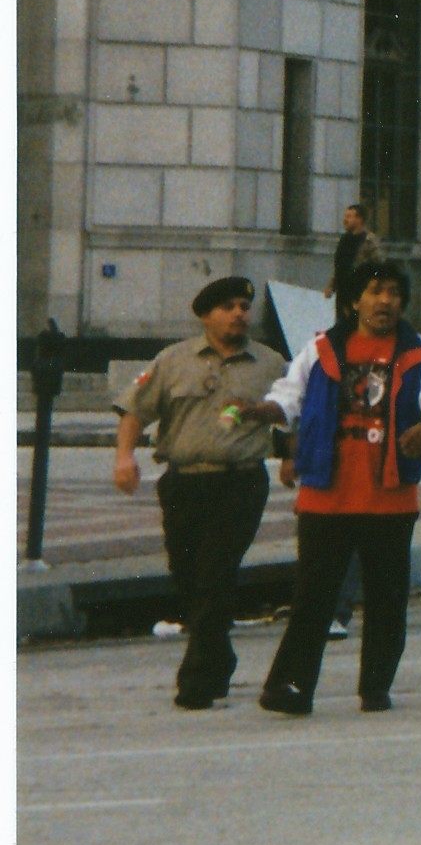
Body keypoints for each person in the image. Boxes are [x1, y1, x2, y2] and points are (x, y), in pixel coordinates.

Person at [257, 260, 421, 715]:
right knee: (313, 595)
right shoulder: (321, 349)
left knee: (387, 598)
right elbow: (288, 396)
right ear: (353, 301)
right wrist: (261, 413)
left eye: (393, 292)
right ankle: (290, 687)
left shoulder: (420, 349)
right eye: (374, 291)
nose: (384, 300)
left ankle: (375, 687)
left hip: (389, 495)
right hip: (326, 493)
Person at [113, 276, 286, 710]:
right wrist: (124, 458)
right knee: (187, 575)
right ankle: (219, 653)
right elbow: (135, 410)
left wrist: (295, 458)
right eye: (228, 306)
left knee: (215, 573)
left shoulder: (270, 363)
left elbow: (293, 413)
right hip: (184, 482)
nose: (239, 314)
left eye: (244, 306)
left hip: (240, 482)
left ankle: (198, 680)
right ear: (206, 315)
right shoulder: (173, 361)